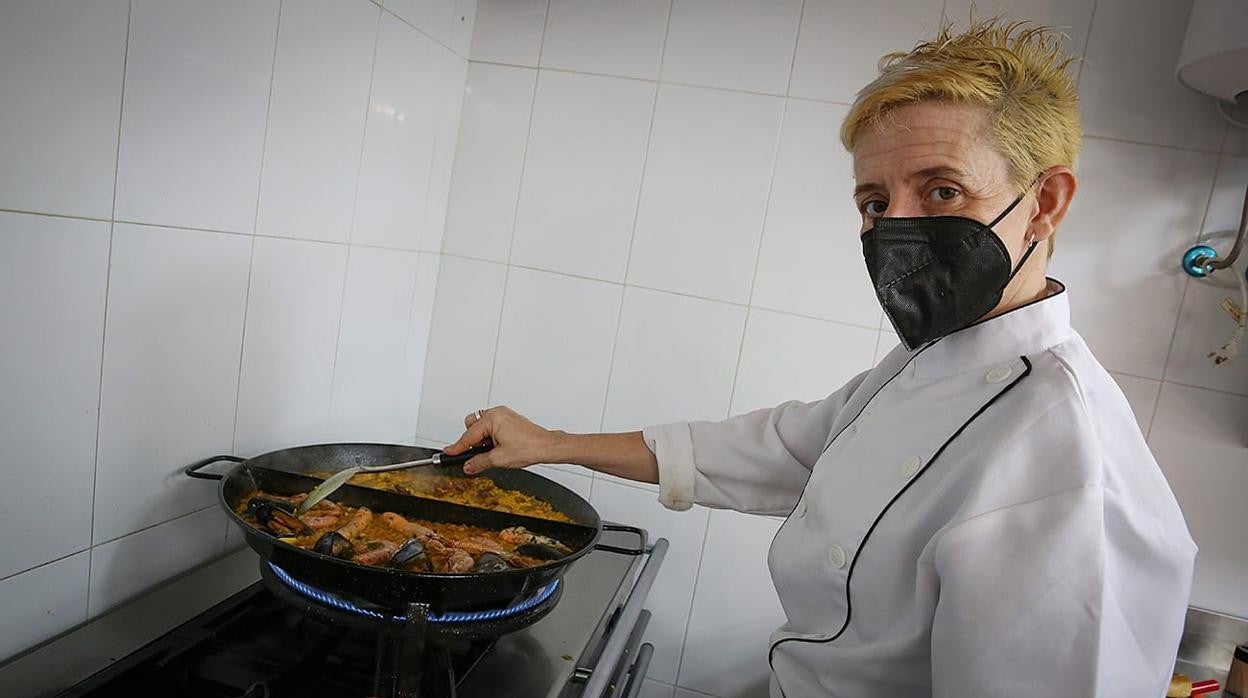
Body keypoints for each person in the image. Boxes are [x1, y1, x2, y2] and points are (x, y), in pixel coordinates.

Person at [443, 19, 1196, 698]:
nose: (896, 227)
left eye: (941, 190)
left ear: (1046, 203)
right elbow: (779, 450)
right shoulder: (931, 363)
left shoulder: (1071, 472)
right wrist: (549, 446)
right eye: (875, 202)